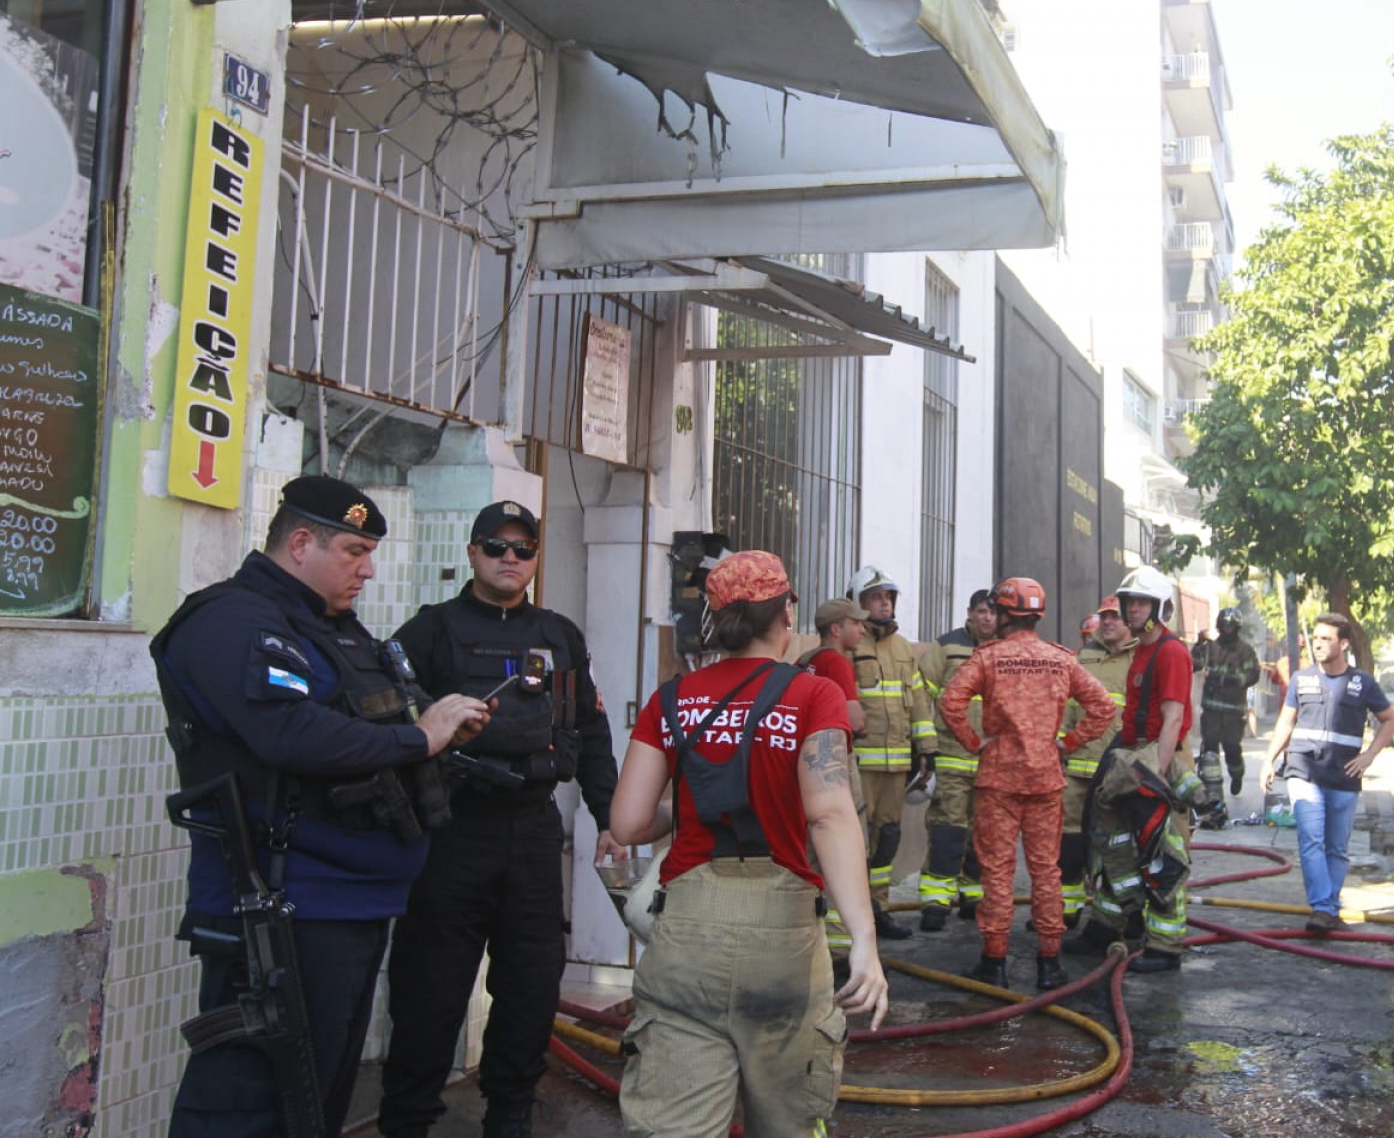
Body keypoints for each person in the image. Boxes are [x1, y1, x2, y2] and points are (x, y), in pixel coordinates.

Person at [153, 477, 490, 1138]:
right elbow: (288, 732)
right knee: (253, 1102)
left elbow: (379, 713)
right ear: (300, 542)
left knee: (315, 1103)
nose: (367, 569)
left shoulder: (335, 629)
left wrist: (439, 727)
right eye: (354, 550)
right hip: (282, 904)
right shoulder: (232, 618)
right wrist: (419, 736)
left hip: (352, 902)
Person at [609, 551, 887, 1138]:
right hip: (781, 939)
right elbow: (831, 814)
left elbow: (630, 823)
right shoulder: (812, 695)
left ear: (717, 619)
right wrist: (864, 939)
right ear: (786, 612)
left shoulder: (672, 699)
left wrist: (680, 807)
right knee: (789, 1122)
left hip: (686, 936)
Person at [379, 501, 619, 1138]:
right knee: (430, 992)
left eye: (522, 548)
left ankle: (510, 1116)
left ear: (537, 557)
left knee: (531, 987)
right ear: (472, 553)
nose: (509, 558)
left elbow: (590, 733)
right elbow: (387, 734)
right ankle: (408, 1119)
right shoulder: (429, 632)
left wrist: (610, 817)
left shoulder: (560, 634)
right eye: (495, 546)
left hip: (533, 832)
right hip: (451, 835)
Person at [938, 577, 1116, 991]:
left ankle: (995, 961)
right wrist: (1066, 744)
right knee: (1046, 871)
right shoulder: (1062, 660)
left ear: (1002, 614)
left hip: (998, 778)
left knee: (998, 872)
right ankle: (1049, 964)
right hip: (1046, 778)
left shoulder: (988, 659)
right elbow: (1103, 708)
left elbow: (950, 702)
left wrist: (973, 742)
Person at [1065, 565, 1205, 973]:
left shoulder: (1172, 652)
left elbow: (1173, 718)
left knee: (1163, 854)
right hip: (1131, 755)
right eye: (1130, 603)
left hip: (1159, 759)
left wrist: (1157, 777)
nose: (1133, 610)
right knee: (1116, 845)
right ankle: (1107, 927)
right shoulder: (1143, 648)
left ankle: (1164, 945)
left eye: (1141, 603)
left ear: (1161, 607)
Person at [1260, 613, 1394, 933]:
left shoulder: (1362, 683)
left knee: (1336, 847)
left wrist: (1369, 755)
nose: (1319, 644)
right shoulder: (1301, 679)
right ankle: (1322, 908)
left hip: (1344, 776)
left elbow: (1390, 720)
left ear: (1344, 644)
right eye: (1317, 638)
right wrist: (1270, 758)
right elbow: (1286, 721)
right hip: (1303, 771)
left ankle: (1329, 908)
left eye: (1327, 639)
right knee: (1311, 839)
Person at [845, 564, 927, 940]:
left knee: (888, 837)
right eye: (876, 597)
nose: (884, 603)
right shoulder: (850, 645)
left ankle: (880, 907)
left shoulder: (903, 648)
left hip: (897, 764)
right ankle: (853, 911)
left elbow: (919, 702)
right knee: (855, 842)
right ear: (858, 602)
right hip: (859, 765)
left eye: (888, 597)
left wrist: (927, 749)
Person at [916, 588, 995, 931]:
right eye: (981, 611)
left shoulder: (1006, 649)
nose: (987, 618)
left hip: (992, 759)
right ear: (970, 612)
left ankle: (973, 894)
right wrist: (927, 743)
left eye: (993, 612)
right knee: (948, 828)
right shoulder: (946, 647)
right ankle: (936, 898)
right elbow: (921, 691)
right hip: (951, 754)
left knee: (984, 830)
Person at [799, 596, 870, 963]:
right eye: (856, 623)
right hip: (836, 765)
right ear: (836, 629)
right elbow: (854, 719)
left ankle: (813, 937)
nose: (862, 629)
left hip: (802, 766)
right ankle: (842, 946)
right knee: (848, 847)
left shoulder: (805, 662)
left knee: (811, 853)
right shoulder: (837, 663)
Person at [1058, 597, 1130, 928]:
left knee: (1115, 843)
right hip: (1077, 765)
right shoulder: (1084, 656)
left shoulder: (1138, 657)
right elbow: (1066, 704)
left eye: (1115, 616)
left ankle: (1111, 915)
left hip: (1117, 769)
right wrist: (1060, 743)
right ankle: (1067, 907)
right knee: (1068, 839)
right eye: (1105, 617)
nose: (1109, 622)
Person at [1196, 607, 1262, 799]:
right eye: (1224, 625)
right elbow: (1194, 663)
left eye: (1231, 625)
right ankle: (1214, 791)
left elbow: (1253, 673)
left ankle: (1237, 774)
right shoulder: (1210, 648)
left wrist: (1236, 679)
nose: (1227, 629)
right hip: (1211, 709)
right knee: (1210, 750)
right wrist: (1199, 644)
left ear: (1237, 627)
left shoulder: (1245, 651)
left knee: (1232, 747)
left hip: (1233, 711)